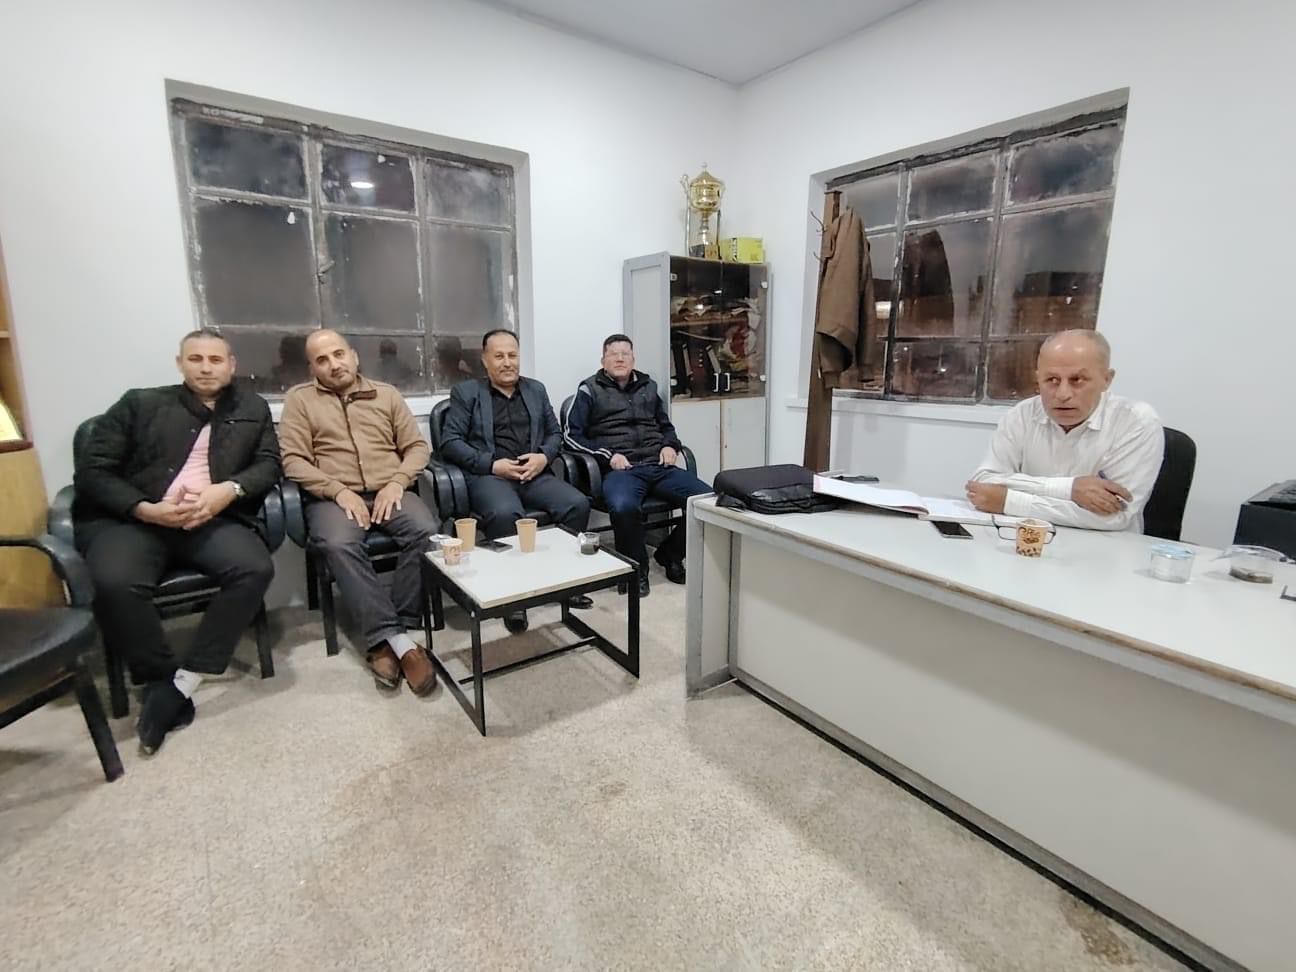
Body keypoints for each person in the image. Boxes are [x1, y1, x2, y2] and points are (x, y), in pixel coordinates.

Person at [74, 328, 280, 756]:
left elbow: (268, 465)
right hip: (137, 520)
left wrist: (229, 490)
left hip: (210, 519)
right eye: (195, 359)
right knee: (114, 581)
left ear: (231, 365)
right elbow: (93, 472)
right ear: (180, 363)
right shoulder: (140, 404)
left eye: (215, 360)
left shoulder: (252, 408)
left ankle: (184, 681)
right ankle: (157, 676)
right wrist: (144, 508)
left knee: (255, 568)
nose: (205, 368)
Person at [278, 329, 439, 695]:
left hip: (389, 489)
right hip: (333, 497)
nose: (334, 365)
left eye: (338, 354)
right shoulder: (300, 401)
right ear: (312, 368)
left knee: (426, 531)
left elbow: (416, 448)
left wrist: (397, 481)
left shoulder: (386, 394)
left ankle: (396, 626)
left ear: (354, 356)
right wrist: (338, 491)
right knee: (338, 544)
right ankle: (394, 641)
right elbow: (294, 461)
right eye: (322, 360)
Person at [440, 329, 592, 630]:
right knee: (505, 514)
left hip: (533, 473)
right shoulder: (466, 393)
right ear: (485, 360)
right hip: (491, 476)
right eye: (499, 356)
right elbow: (450, 442)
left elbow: (555, 433)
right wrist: (492, 465)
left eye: (512, 355)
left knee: (576, 504)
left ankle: (563, 582)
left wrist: (543, 457)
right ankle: (514, 598)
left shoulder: (536, 390)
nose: (507, 362)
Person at [965, 330, 1163, 531]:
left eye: (1077, 380)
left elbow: (1114, 517)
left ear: (1106, 379)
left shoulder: (1136, 422)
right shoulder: (1022, 415)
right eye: (1052, 380)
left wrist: (1009, 502)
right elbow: (983, 482)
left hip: (1104, 545)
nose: (1062, 394)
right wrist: (1069, 489)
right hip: (1026, 541)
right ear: (1038, 380)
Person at [563, 333, 711, 596]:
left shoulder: (649, 386)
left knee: (708, 502)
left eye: (625, 354)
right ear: (603, 360)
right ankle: (636, 570)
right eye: (613, 354)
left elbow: (666, 427)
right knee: (623, 507)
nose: (620, 358)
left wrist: (670, 445)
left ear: (633, 359)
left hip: (658, 465)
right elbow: (571, 437)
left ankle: (670, 554)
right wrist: (608, 456)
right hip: (622, 469)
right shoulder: (588, 390)